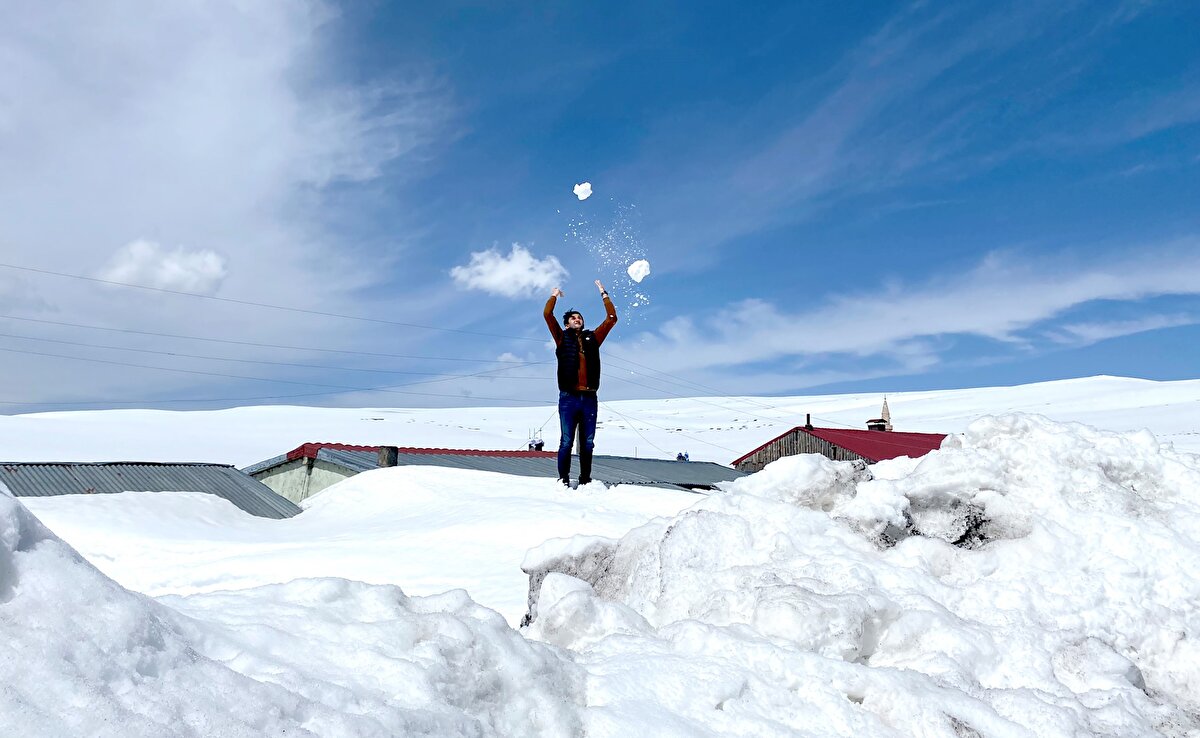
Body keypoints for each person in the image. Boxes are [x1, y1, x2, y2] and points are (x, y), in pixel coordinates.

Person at [544, 280, 617, 487]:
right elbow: (548, 315)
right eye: (573, 318)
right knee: (566, 441)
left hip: (589, 398)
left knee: (587, 442)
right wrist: (554, 295)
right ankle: (563, 480)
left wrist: (603, 293)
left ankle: (586, 480)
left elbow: (612, 318)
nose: (577, 319)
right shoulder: (561, 338)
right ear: (567, 324)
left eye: (580, 317)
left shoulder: (593, 338)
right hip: (569, 398)